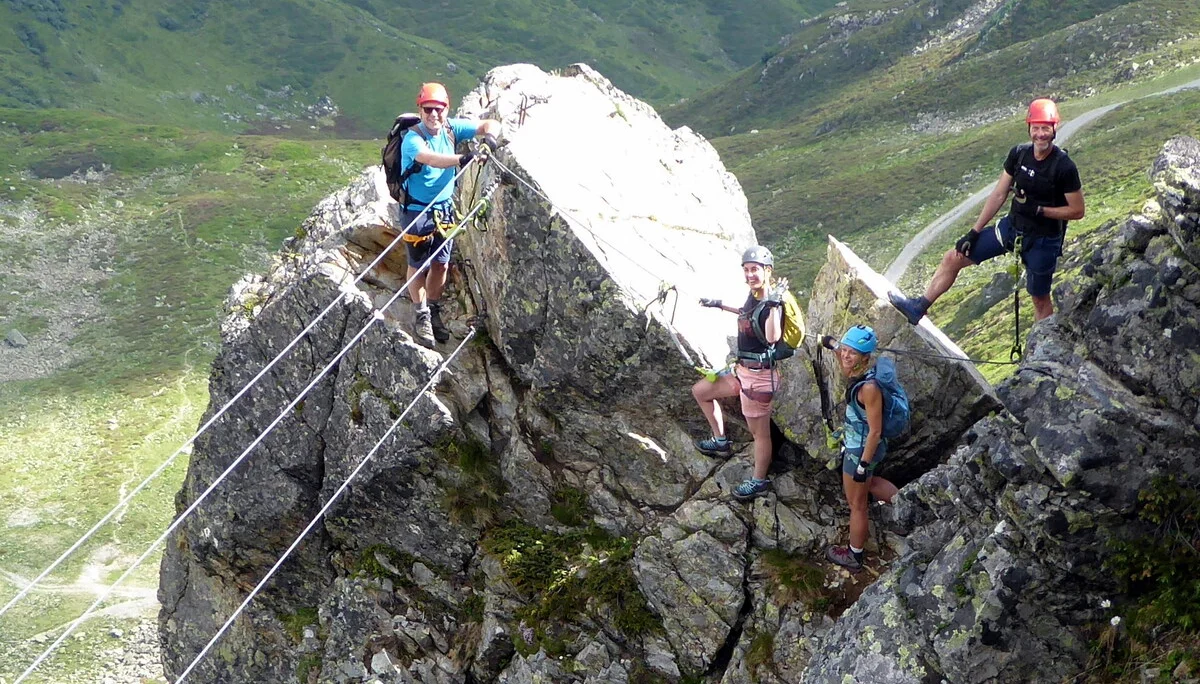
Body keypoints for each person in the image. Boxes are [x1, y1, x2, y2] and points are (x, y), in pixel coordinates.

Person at [889, 98, 1085, 325]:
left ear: (1054, 129)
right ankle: (918, 308)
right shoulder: (1019, 155)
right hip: (1012, 229)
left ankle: (1043, 347)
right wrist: (974, 232)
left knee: (1040, 299)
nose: (1040, 134)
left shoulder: (1064, 167)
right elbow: (999, 194)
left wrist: (1040, 210)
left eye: (1045, 129)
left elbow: (1077, 210)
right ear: (1029, 128)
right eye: (1036, 128)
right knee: (954, 257)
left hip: (1043, 241)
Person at [398, 82, 501, 347]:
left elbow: (489, 124)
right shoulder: (412, 139)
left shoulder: (452, 128)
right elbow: (428, 158)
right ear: (420, 110)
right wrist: (462, 159)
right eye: (428, 109)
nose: (434, 115)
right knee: (417, 264)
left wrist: (489, 139)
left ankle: (432, 309)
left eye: (439, 109)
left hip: (443, 209)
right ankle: (421, 314)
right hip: (416, 211)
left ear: (446, 109)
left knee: (441, 263)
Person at [692, 245, 787, 501]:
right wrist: (719, 305)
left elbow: (772, 337)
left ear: (768, 271)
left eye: (754, 270)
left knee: (760, 434)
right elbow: (747, 313)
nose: (749, 275)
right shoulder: (754, 296)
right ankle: (720, 441)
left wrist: (775, 305)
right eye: (746, 270)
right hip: (742, 371)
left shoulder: (772, 302)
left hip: (758, 379)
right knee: (701, 391)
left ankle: (759, 481)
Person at [824, 325, 899, 573]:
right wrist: (834, 345)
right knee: (869, 484)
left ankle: (854, 556)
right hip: (863, 447)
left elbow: (875, 431)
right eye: (845, 350)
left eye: (852, 353)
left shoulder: (869, 389)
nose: (846, 356)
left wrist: (862, 465)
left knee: (857, 504)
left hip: (861, 450)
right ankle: (904, 504)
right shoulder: (862, 370)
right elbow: (844, 357)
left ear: (864, 358)